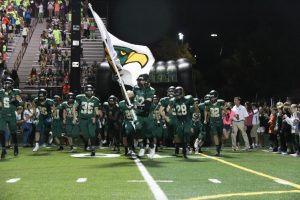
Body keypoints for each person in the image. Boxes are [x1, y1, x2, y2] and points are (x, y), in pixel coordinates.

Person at [73, 84, 102, 156]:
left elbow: (96, 110)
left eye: (91, 91)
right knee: (86, 135)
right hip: (82, 119)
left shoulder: (95, 100)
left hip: (90, 118)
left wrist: (95, 116)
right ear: (85, 91)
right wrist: (74, 117)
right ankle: (89, 144)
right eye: (88, 91)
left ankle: (93, 147)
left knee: (92, 133)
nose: (89, 92)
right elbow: (74, 107)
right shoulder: (80, 97)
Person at [133, 74, 156, 158]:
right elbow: (130, 96)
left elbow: (146, 106)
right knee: (138, 129)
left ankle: (152, 147)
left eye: (141, 80)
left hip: (147, 114)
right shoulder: (135, 88)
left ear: (146, 81)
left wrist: (135, 106)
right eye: (138, 80)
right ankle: (142, 147)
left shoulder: (150, 90)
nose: (139, 82)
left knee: (149, 133)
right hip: (138, 114)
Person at [0, 77, 22, 158]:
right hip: (3, 115)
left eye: (8, 83)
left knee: (13, 133)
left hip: (12, 115)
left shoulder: (15, 92)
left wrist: (15, 100)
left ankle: (16, 146)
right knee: (1, 132)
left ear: (11, 84)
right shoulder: (1, 92)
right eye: (5, 83)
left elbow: (21, 102)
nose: (6, 84)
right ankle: (3, 149)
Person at [169, 86, 194, 158]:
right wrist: (170, 107)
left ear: (182, 93)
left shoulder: (188, 99)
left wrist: (194, 108)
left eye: (178, 95)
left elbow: (195, 107)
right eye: (176, 95)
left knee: (186, 132)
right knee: (180, 134)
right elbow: (169, 111)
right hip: (179, 120)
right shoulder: (173, 100)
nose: (177, 96)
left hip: (187, 119)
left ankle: (186, 147)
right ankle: (184, 147)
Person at [204, 90, 225, 156]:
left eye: (213, 97)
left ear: (216, 97)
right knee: (215, 135)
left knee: (220, 136)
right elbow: (207, 111)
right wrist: (206, 119)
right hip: (213, 122)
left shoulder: (220, 102)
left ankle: (219, 146)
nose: (212, 98)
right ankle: (217, 150)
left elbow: (225, 110)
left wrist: (225, 112)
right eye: (211, 97)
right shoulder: (208, 103)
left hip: (219, 121)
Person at [119, 90, 135, 155]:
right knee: (124, 136)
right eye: (126, 95)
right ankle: (126, 149)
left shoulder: (135, 102)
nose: (127, 96)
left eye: (129, 95)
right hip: (126, 120)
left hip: (134, 121)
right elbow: (120, 112)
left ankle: (131, 147)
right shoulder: (122, 103)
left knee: (131, 134)